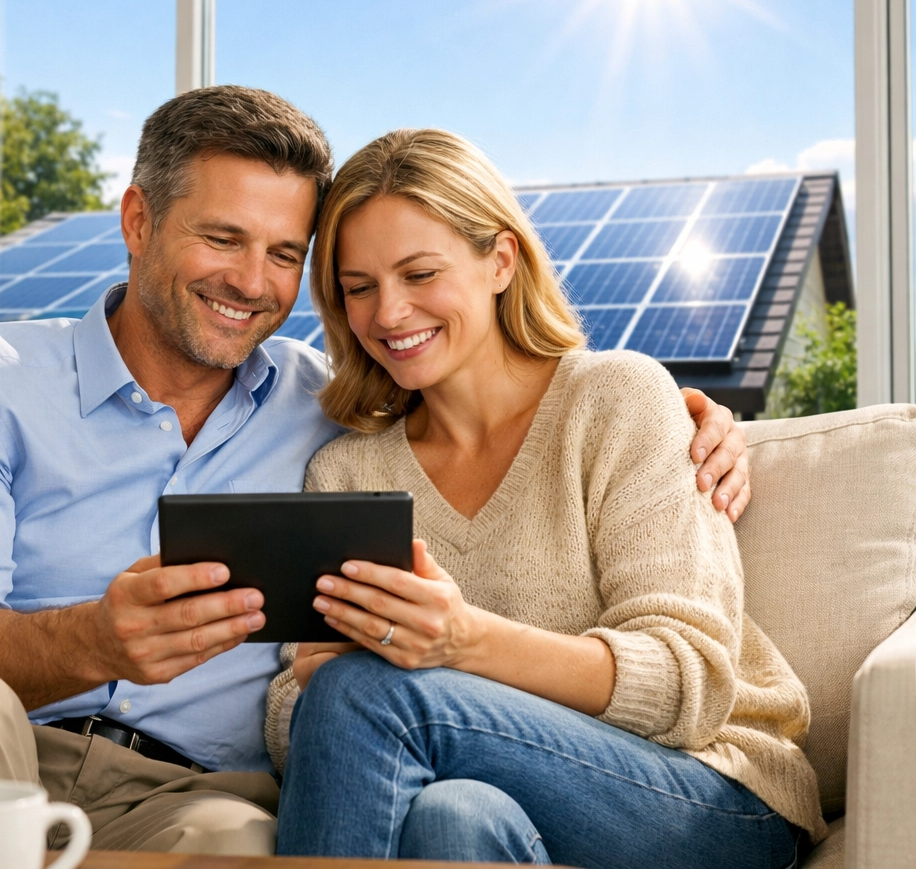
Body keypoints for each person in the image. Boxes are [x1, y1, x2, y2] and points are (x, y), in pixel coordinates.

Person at [0, 87, 747, 857]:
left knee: (273, 800)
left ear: (502, 261)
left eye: (282, 255)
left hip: (196, 795)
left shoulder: (319, 406)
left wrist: (699, 419)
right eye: (222, 238)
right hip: (1, 744)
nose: (250, 282)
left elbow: (680, 656)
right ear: (138, 222)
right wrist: (95, 640)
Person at [269, 128, 827, 868]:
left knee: (365, 691)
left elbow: (684, 685)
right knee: (451, 817)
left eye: (420, 273)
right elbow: (291, 721)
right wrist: (312, 673)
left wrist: (462, 643)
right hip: (492, 794)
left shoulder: (615, 400)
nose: (389, 313)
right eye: (359, 287)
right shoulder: (346, 472)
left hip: (708, 795)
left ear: (500, 261)